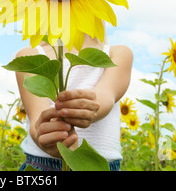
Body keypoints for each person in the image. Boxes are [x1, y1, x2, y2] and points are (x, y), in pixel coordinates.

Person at [16, 33, 133, 171]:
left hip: (98, 165)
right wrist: (47, 134)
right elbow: (38, 119)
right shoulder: (29, 55)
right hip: (43, 164)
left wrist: (89, 106)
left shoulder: (118, 54)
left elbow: (106, 94)